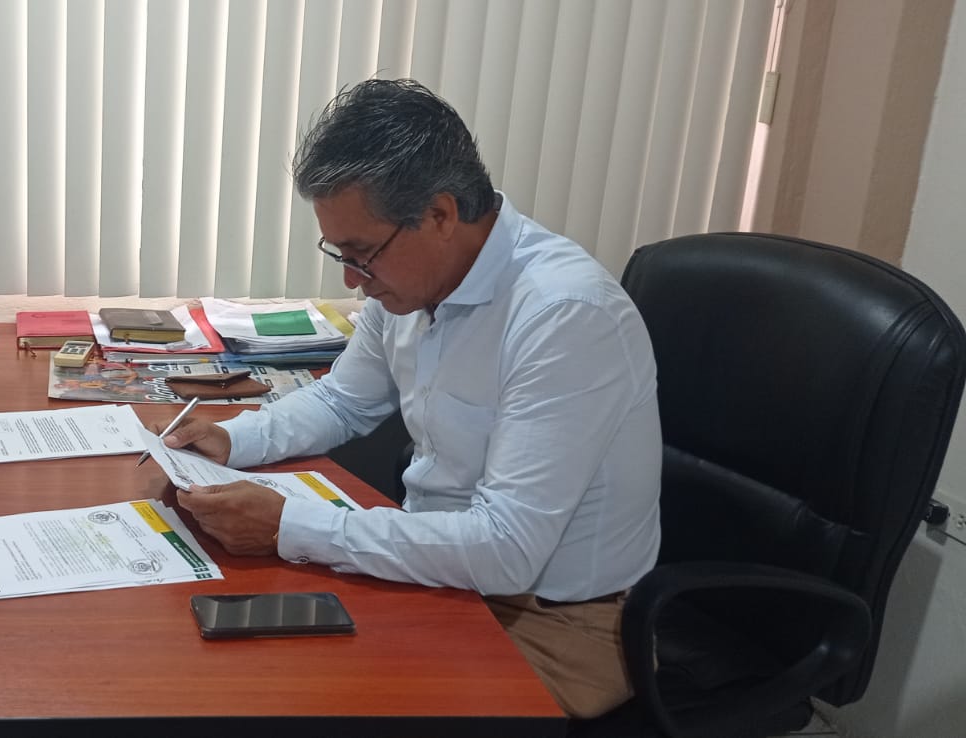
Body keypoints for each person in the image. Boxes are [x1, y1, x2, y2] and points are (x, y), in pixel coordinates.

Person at [159, 79, 661, 719]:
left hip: (558, 621)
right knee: (233, 671)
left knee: (313, 707)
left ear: (440, 216)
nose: (352, 280)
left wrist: (288, 526)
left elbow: (506, 550)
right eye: (340, 254)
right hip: (443, 572)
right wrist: (232, 439)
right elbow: (342, 401)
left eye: (362, 254)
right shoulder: (410, 286)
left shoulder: (564, 315)